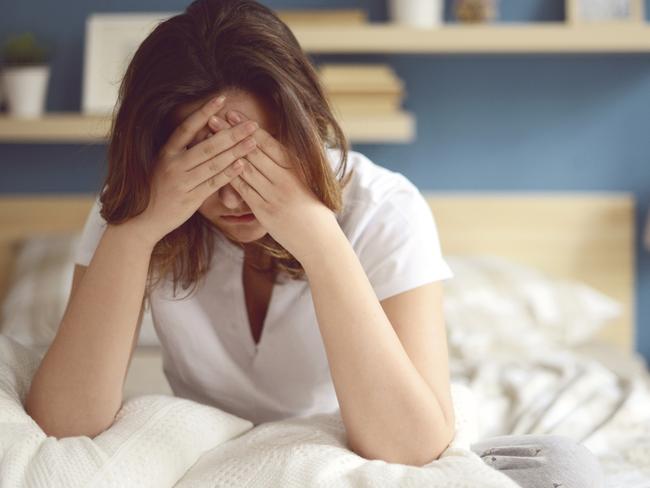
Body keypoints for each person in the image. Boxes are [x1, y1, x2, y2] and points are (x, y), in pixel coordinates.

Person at [23, 0, 605, 484]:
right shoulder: (134, 208)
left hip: (358, 442)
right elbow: (65, 421)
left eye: (256, 160)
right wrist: (141, 228)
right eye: (206, 165)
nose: (233, 198)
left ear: (302, 131)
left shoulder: (383, 208)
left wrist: (317, 235)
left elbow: (412, 445)